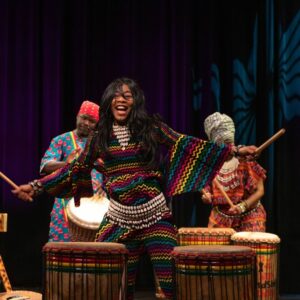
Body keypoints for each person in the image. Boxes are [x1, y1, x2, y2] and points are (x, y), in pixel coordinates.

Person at [12, 78, 258, 299]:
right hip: (119, 219)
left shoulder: (151, 128)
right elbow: (74, 169)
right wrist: (36, 186)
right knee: (116, 285)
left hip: (155, 217)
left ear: (135, 102)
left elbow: (186, 144)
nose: (121, 99)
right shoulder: (100, 138)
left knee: (172, 284)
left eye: (127, 96)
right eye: (116, 96)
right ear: (108, 103)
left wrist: (234, 150)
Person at [40, 100, 103, 241]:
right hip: (65, 206)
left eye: (91, 121)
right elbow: (45, 166)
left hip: (95, 207)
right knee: (62, 252)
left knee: (94, 255)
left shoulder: (101, 145)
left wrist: (104, 187)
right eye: (84, 118)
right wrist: (66, 163)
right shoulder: (61, 140)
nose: (86, 123)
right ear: (77, 116)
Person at [201, 112, 267, 232]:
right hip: (221, 217)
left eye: (230, 143)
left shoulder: (245, 158)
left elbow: (260, 190)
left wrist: (242, 206)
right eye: (225, 145)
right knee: (212, 247)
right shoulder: (210, 165)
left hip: (249, 215)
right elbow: (206, 190)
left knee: (249, 247)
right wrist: (206, 196)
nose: (230, 147)